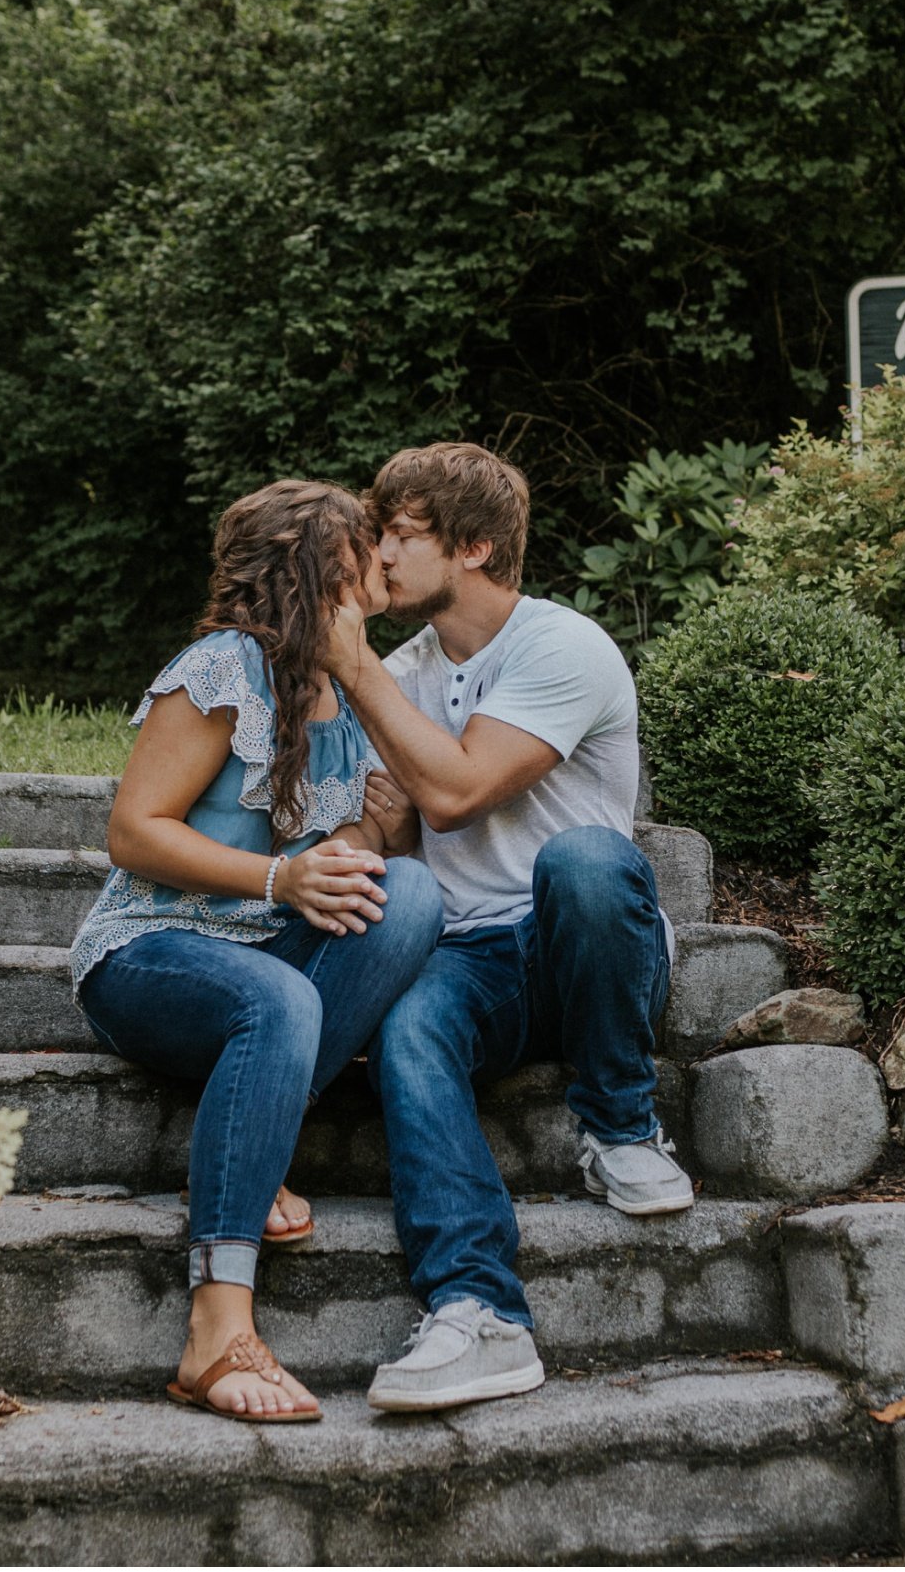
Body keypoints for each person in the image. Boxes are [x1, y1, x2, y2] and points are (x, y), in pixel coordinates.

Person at [315, 441, 692, 1414]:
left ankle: (617, 1120)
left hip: (594, 950)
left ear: (474, 546)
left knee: (583, 860)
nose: (379, 559)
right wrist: (368, 825)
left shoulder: (559, 645)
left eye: (399, 537)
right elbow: (392, 832)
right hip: (477, 957)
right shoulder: (397, 670)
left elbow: (458, 791)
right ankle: (477, 1310)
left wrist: (352, 667)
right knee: (408, 1028)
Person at [69, 479, 442, 1424]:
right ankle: (216, 1328)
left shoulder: (353, 697)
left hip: (267, 957)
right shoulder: (225, 666)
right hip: (154, 949)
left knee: (414, 896)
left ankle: (258, 1124)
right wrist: (282, 881)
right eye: (369, 541)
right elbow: (134, 831)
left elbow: (343, 864)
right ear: (324, 566)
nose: (385, 557)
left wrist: (378, 838)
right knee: (278, 1000)